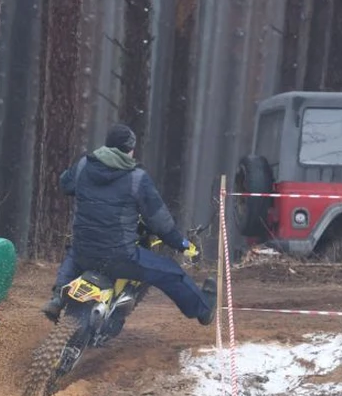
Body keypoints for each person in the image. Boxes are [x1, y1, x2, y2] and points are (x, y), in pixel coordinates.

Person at [42, 123, 217, 326]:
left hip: (84, 251)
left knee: (74, 255)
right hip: (120, 256)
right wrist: (181, 244)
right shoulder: (136, 179)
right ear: (130, 150)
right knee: (171, 272)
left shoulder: (83, 166)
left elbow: (65, 184)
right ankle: (203, 309)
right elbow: (160, 222)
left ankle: (57, 296)